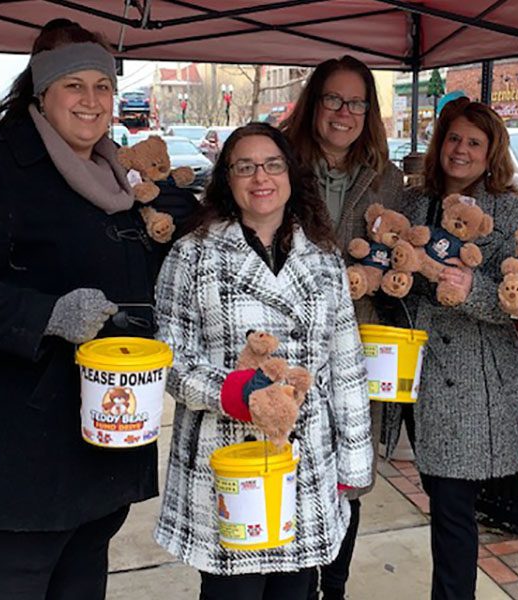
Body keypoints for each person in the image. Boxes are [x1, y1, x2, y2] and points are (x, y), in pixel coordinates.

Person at [0, 19, 174, 599]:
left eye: (102, 86)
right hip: (13, 443)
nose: (91, 100)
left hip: (98, 431)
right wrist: (47, 314)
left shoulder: (113, 175)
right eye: (73, 85)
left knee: (82, 579)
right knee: (15, 583)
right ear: (41, 94)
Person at [152, 122, 373, 600]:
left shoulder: (324, 258)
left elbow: (347, 364)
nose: (261, 178)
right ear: (226, 180)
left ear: (291, 174)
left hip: (304, 456)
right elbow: (170, 359)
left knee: (295, 590)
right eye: (245, 167)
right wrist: (240, 394)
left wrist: (354, 461)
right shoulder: (192, 255)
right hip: (228, 457)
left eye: (272, 164)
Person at [398, 98, 518, 599]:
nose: (461, 151)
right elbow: (401, 280)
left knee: (454, 511)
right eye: (454, 139)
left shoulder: (513, 209)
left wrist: (467, 288)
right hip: (419, 374)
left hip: (477, 384)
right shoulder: (415, 203)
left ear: (491, 151)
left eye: (474, 143)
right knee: (443, 500)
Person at [280, 55, 404, 600]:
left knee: (348, 478)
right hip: (287, 342)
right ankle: (293, 584)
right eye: (333, 98)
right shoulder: (280, 162)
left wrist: (377, 272)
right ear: (314, 103)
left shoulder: (387, 178)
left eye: (356, 102)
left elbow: (399, 252)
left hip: (357, 343)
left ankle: (335, 586)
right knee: (289, 467)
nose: (343, 112)